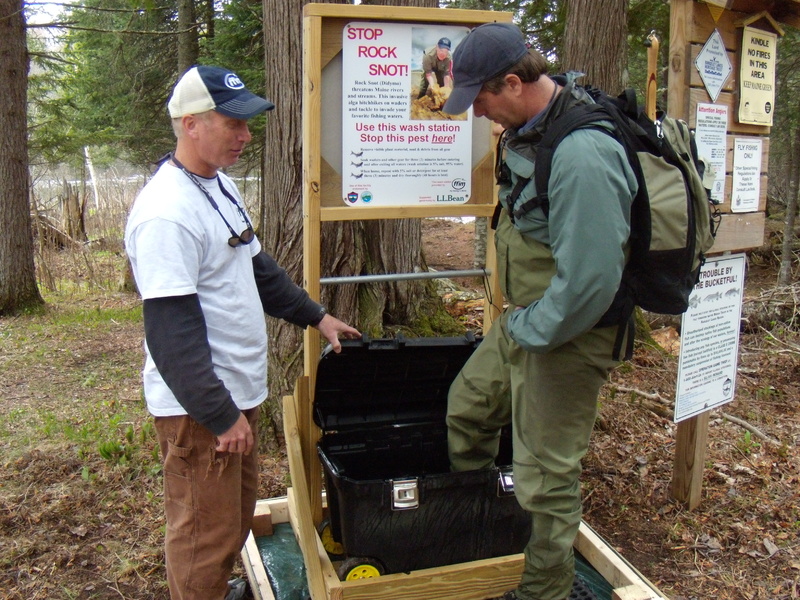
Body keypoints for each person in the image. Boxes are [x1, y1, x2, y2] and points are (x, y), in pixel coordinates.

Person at [124, 65, 361, 600]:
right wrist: (219, 413)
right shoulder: (166, 213)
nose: (245, 135)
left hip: (235, 393)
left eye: (247, 123)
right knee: (201, 535)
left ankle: (219, 588)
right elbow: (170, 335)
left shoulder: (217, 186)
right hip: (200, 408)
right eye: (232, 123)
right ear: (190, 125)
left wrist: (316, 316)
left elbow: (258, 270)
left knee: (230, 519)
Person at [442, 23, 638, 600]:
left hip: (569, 333)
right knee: (469, 408)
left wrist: (529, 328)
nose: (477, 112)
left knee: (547, 477)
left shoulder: (581, 151)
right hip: (529, 319)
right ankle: (486, 532)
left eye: (481, 98)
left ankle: (541, 590)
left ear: (512, 81)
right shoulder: (532, 130)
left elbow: (591, 282)